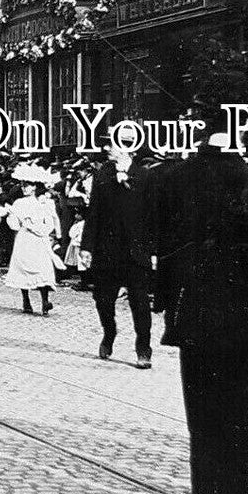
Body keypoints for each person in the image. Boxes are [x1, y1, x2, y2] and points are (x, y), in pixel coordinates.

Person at [154, 122, 248, 494]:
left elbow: (159, 241)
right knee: (237, 418)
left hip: (191, 318)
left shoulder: (172, 178)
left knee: (202, 419)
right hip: (239, 323)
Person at [81, 127, 156, 368]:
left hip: (136, 252)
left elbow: (154, 215)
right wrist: (87, 247)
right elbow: (94, 213)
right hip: (107, 251)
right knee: (103, 299)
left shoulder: (145, 176)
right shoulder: (102, 174)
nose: (106, 148)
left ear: (127, 147)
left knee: (140, 303)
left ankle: (143, 348)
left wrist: (153, 250)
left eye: (111, 144)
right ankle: (109, 333)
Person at [4, 163, 62, 316]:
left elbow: (50, 224)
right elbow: (14, 225)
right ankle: (26, 300)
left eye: (28, 185)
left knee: (42, 267)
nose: (24, 188)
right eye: (23, 185)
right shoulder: (19, 203)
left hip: (39, 239)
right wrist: (16, 219)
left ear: (35, 186)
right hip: (24, 238)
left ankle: (45, 301)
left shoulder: (45, 203)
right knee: (23, 266)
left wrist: (38, 228)